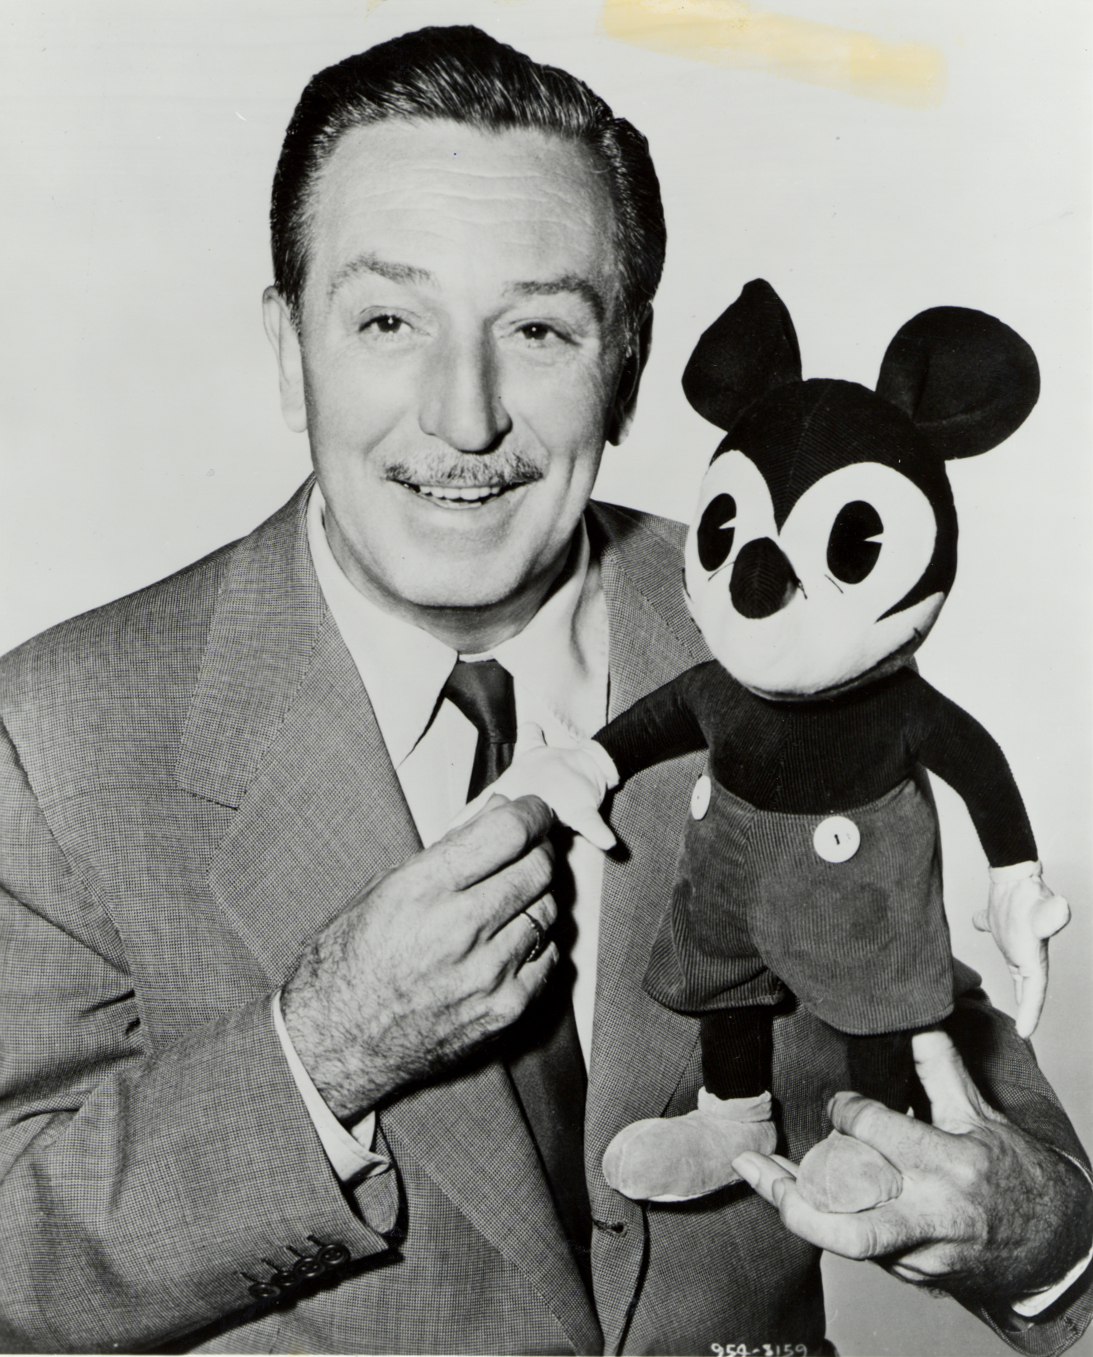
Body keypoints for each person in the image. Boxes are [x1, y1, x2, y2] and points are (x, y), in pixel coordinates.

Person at [0, 24, 1089, 1356]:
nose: (463, 419)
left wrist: (1039, 1242)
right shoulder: (57, 734)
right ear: (290, 350)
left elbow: (998, 1143)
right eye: (388, 321)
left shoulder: (796, 627)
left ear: (625, 366)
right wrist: (326, 1047)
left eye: (538, 329)